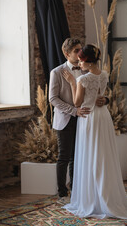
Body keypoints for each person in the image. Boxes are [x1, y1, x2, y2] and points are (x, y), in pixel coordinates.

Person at [62, 44, 127, 219]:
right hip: (103, 117)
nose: (79, 65)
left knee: (91, 156)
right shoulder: (104, 75)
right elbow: (101, 95)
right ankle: (104, 196)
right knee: (102, 155)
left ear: (88, 62)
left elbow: (77, 103)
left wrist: (72, 82)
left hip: (89, 118)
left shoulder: (82, 80)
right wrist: (104, 99)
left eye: (81, 61)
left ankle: (93, 199)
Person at [49, 38, 107, 204]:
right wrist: (74, 111)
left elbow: (96, 91)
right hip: (66, 119)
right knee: (64, 157)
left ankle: (76, 191)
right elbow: (53, 98)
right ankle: (61, 193)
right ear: (67, 53)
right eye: (76, 50)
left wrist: (106, 100)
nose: (80, 53)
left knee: (78, 157)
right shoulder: (57, 72)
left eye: (81, 49)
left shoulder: (86, 69)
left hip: (85, 119)